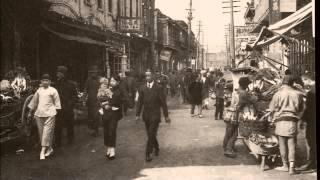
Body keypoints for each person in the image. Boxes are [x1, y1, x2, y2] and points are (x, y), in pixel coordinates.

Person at [269, 75, 305, 175]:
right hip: (293, 121)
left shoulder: (278, 94)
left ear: (283, 83)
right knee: (292, 144)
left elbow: (272, 108)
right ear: (293, 83)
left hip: (281, 121)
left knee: (282, 144)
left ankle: (285, 165)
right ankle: (292, 168)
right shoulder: (298, 94)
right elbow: (301, 109)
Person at [136, 70, 170, 162]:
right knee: (150, 134)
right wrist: (137, 114)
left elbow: (163, 103)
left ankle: (148, 153)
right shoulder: (142, 88)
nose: (148, 78)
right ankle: (156, 146)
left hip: (155, 115)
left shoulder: (158, 88)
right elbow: (139, 102)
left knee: (151, 133)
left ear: (153, 76)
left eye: (149, 76)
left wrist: (166, 116)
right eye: (146, 76)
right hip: (146, 115)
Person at [28, 74, 61, 160]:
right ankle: (49, 149)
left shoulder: (53, 90)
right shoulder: (39, 91)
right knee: (42, 133)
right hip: (39, 114)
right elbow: (34, 102)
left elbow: (57, 104)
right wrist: (30, 112)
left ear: (50, 82)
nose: (45, 82)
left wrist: (54, 112)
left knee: (47, 132)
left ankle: (42, 151)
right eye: (43, 80)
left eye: (47, 80)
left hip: (50, 114)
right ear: (41, 82)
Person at [98, 76, 123, 160]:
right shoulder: (108, 89)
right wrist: (103, 104)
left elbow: (118, 101)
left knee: (112, 131)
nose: (111, 82)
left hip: (114, 114)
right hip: (106, 113)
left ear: (118, 82)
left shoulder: (119, 90)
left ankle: (112, 150)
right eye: (111, 80)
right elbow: (101, 98)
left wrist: (110, 104)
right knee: (106, 131)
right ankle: (108, 148)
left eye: (113, 80)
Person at [296, 73, 316, 172]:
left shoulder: (312, 92)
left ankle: (312, 164)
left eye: (303, 81)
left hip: (312, 122)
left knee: (311, 142)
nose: (303, 83)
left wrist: (302, 120)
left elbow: (308, 109)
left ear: (307, 79)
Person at [54, 66, 78, 146]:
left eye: (59, 73)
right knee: (58, 126)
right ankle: (58, 142)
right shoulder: (56, 84)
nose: (58, 74)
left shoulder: (71, 84)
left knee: (70, 124)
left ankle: (70, 140)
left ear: (64, 74)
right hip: (58, 108)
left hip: (68, 108)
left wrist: (70, 104)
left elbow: (75, 97)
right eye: (57, 72)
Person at [84, 66, 101, 137]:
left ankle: (96, 130)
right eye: (92, 73)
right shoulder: (88, 80)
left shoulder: (100, 80)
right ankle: (93, 129)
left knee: (96, 116)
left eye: (95, 72)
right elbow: (85, 89)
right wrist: (84, 97)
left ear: (97, 73)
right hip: (90, 101)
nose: (94, 74)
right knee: (91, 116)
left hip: (98, 100)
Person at [223, 83, 238, 158]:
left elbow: (226, 105)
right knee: (234, 134)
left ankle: (226, 146)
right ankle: (228, 149)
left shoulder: (227, 95)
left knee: (229, 132)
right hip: (232, 115)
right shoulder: (233, 95)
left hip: (228, 115)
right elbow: (233, 105)